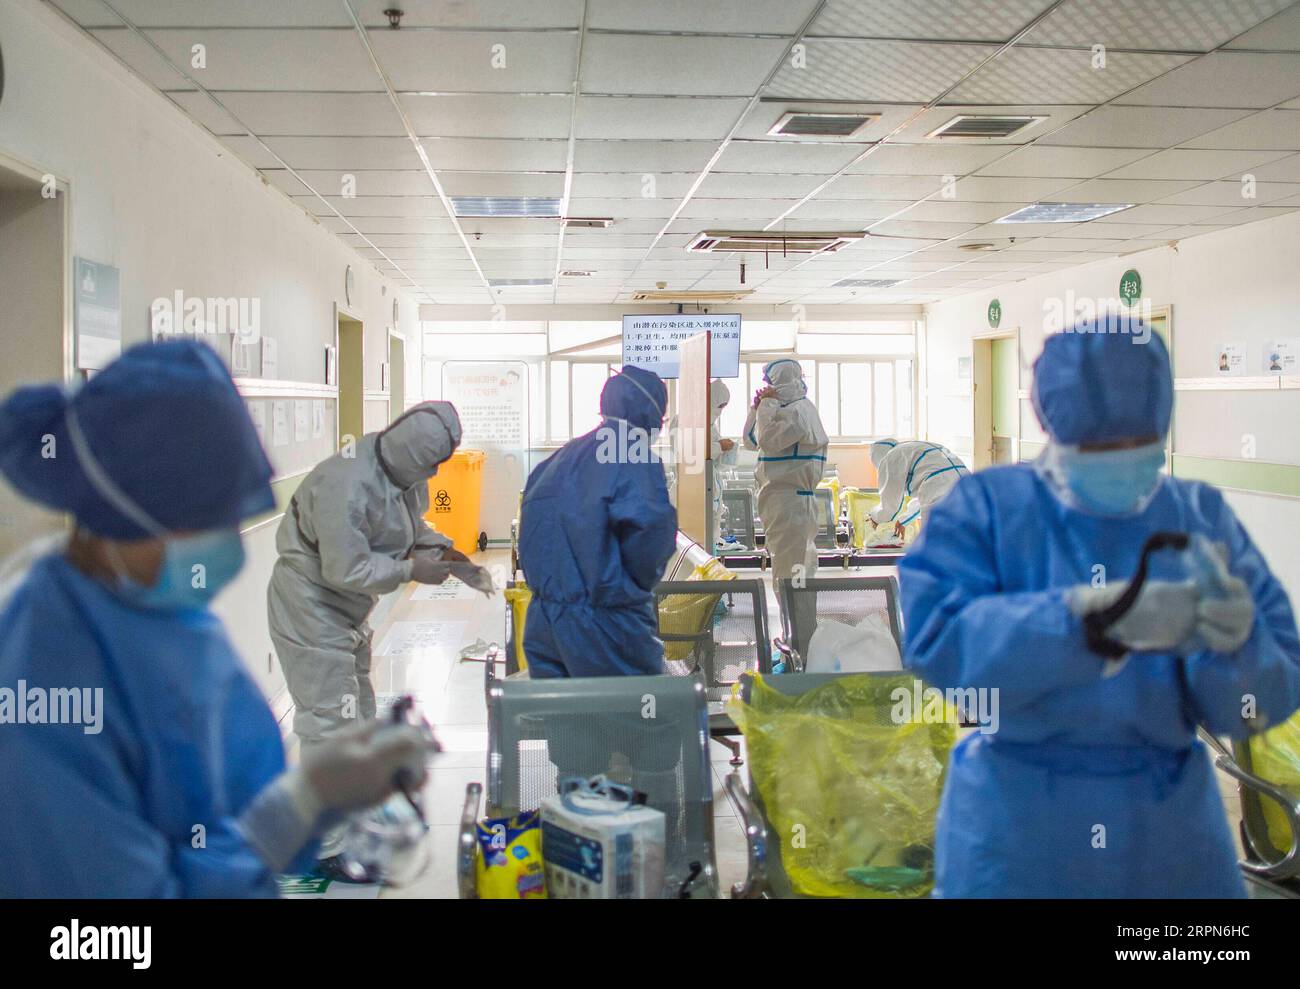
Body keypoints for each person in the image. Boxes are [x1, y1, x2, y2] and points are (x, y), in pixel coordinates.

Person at [0, 340, 432, 897]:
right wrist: (300, 804)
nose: (229, 544)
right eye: (209, 519)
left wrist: (312, 797)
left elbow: (227, 807)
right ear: (128, 512)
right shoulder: (43, 687)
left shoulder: (165, 619)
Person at [899, 325, 1300, 898]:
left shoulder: (1197, 516)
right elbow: (940, 648)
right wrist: (1086, 620)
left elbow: (1255, 708)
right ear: (1056, 431)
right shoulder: (986, 510)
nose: (1120, 469)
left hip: (1171, 835)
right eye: (1100, 452)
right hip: (1020, 828)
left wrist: (1239, 645)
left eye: (1136, 450)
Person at [269, 401, 469, 757]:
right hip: (311, 605)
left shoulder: (405, 473)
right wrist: (409, 570)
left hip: (350, 606)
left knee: (358, 709)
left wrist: (443, 549)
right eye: (432, 465)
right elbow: (346, 568)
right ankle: (328, 810)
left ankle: (357, 804)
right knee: (329, 722)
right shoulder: (346, 485)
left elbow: (406, 527)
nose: (435, 474)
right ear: (412, 456)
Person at [518, 365, 677, 678]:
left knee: (566, 720)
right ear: (649, 411)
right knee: (633, 719)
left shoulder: (560, 458)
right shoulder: (632, 455)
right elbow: (651, 534)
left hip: (544, 622)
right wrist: (631, 589)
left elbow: (533, 527)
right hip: (607, 623)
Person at [742, 359, 828, 632]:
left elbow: (768, 439)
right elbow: (751, 440)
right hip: (783, 505)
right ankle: (798, 642)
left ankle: (800, 649)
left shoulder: (800, 411)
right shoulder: (785, 410)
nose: (766, 389)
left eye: (769, 383)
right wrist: (757, 408)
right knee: (789, 575)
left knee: (793, 579)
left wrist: (766, 406)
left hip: (791, 505)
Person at [868, 438, 968, 541]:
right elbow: (924, 496)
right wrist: (904, 520)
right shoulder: (912, 448)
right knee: (963, 536)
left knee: (934, 540)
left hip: (939, 485)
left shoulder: (891, 457)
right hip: (967, 485)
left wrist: (876, 517)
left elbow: (890, 502)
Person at [709, 378, 736, 550]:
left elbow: (714, 460)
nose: (720, 411)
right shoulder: (686, 422)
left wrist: (726, 450)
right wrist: (719, 446)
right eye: (719, 406)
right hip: (697, 491)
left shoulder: (711, 426)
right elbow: (691, 452)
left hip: (712, 487)